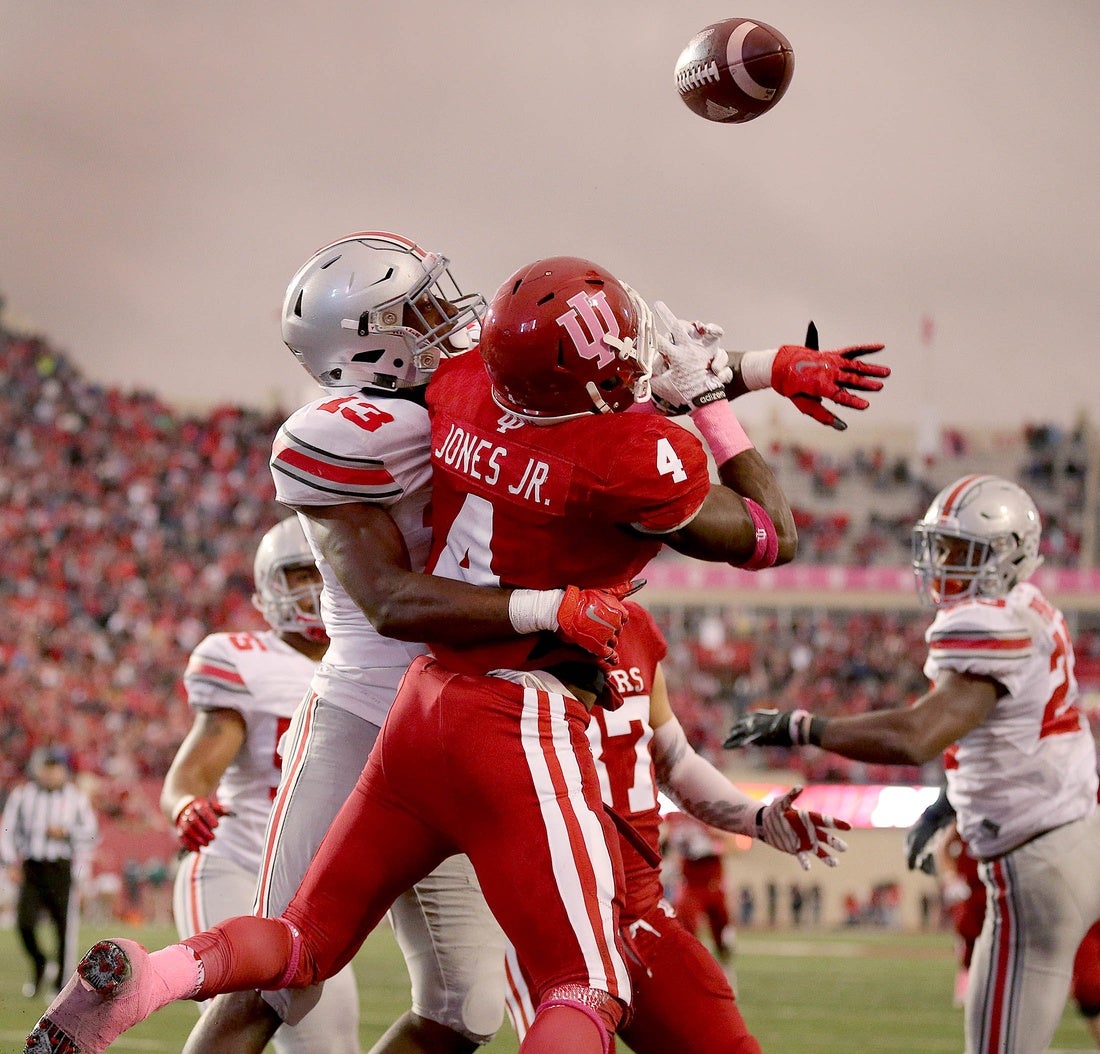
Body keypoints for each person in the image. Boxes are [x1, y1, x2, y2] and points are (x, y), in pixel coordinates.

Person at [29, 249, 887, 1054]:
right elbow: (397, 599)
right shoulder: (378, 437)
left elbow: (597, 369)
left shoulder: (464, 384)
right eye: (416, 309)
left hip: (424, 709)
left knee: (451, 999)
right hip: (448, 707)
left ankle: (151, 978)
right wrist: (555, 599)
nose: (447, 316)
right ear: (364, 352)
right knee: (578, 984)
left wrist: (768, 365)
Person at [725, 473, 1100, 1054]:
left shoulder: (990, 623)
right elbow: (1012, 737)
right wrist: (947, 803)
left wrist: (801, 727)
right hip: (1070, 835)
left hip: (1036, 861)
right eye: (940, 547)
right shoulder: (1030, 608)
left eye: (961, 552)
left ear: (1010, 555)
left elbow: (917, 735)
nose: (942, 564)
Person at [504, 599, 849, 1053]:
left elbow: (675, 760)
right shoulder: (502, 621)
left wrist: (756, 818)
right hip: (552, 925)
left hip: (641, 912)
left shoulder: (635, 628)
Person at [161, 516, 363, 1054]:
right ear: (268, 586)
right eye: (300, 573)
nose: (317, 586)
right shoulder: (241, 657)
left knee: (329, 1049)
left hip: (312, 892)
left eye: (325, 570)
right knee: (238, 1023)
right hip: (238, 862)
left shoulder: (373, 660)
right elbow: (194, 771)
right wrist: (185, 804)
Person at [1, 747, 98, 999]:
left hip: (60, 868)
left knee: (63, 928)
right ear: (37, 769)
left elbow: (91, 833)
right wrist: (10, 862)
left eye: (55, 768)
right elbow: (7, 830)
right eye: (46, 767)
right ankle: (40, 963)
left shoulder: (76, 798)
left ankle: (59, 985)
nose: (51, 773)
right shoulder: (23, 796)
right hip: (32, 867)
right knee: (24, 923)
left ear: (64, 771)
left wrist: (66, 833)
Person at [661, 813, 735, 961]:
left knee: (721, 929)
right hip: (691, 882)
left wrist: (711, 839)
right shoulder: (674, 818)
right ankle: (691, 962)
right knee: (686, 927)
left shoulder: (707, 813)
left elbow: (731, 844)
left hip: (712, 881)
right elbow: (663, 844)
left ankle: (725, 961)